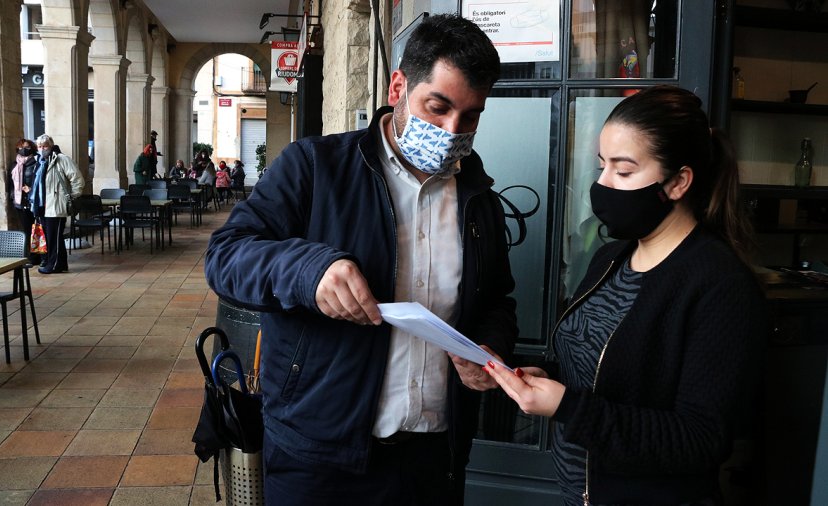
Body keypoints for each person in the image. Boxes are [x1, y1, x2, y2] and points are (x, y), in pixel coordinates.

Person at [205, 14, 517, 506]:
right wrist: (310, 271)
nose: (452, 130)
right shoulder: (314, 166)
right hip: (319, 456)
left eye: (471, 116)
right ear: (399, 86)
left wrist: (489, 349)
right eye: (437, 107)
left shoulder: (479, 198)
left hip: (433, 458)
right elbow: (225, 258)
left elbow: (497, 298)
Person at [483, 86, 766, 506]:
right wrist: (545, 380)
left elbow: (700, 440)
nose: (602, 184)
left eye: (624, 170)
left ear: (678, 182)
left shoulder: (721, 287)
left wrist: (568, 407)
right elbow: (601, 370)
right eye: (601, 166)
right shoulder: (611, 257)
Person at [30, 134, 85, 274]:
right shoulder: (40, 161)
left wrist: (71, 197)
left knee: (54, 237)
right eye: (40, 146)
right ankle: (58, 263)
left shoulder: (61, 159)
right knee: (49, 237)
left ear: (51, 145)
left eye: (45, 146)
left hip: (55, 204)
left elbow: (77, 179)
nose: (42, 149)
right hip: (42, 205)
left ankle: (53, 265)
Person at [7, 139, 41, 265]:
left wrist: (31, 190)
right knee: (26, 229)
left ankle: (36, 256)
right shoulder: (14, 164)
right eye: (21, 147)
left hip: (32, 201)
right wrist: (13, 196)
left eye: (27, 147)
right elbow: (10, 183)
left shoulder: (36, 164)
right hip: (19, 202)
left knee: (35, 229)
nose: (24, 150)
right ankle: (30, 255)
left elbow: (39, 183)